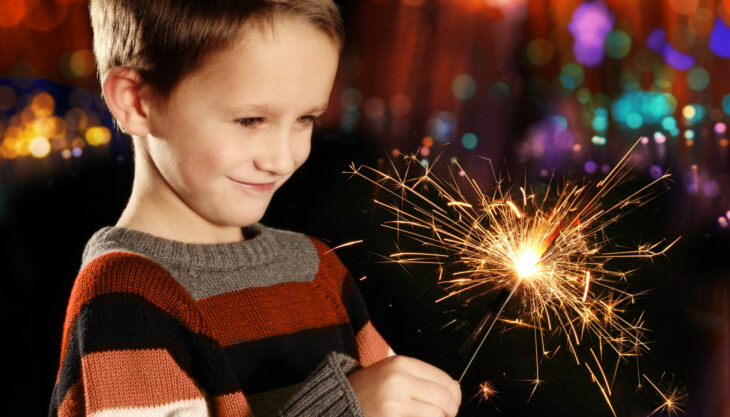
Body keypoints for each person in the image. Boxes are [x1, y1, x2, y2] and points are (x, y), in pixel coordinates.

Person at [48, 1, 462, 416]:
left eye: (305, 119)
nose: (283, 159)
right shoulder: (125, 298)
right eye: (250, 120)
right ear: (137, 102)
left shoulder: (317, 269)